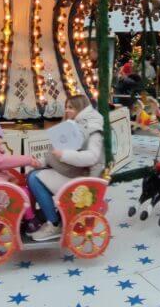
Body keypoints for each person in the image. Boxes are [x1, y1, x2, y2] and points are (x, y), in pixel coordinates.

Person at [27, 95, 104, 241]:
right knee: (33, 174)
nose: (67, 110)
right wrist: (42, 162)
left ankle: (54, 224)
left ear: (81, 108)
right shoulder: (72, 124)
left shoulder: (93, 128)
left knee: (34, 178)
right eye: (66, 107)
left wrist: (64, 155)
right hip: (69, 171)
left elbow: (92, 156)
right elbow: (56, 149)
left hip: (80, 177)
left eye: (71, 107)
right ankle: (48, 214)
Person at [0, 118, 43, 222]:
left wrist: (12, 178)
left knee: (26, 190)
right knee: (23, 193)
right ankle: (30, 220)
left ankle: (27, 216)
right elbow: (4, 162)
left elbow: (1, 171)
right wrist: (27, 159)